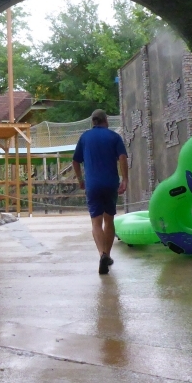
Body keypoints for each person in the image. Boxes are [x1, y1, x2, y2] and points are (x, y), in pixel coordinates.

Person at [72, 109, 128, 275]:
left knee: (96, 222)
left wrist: (80, 180)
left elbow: (75, 161)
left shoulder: (85, 137)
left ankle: (101, 255)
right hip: (110, 183)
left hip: (93, 185)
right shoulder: (114, 137)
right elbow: (123, 158)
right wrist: (125, 179)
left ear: (93, 122)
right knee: (109, 220)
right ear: (106, 121)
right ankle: (108, 255)